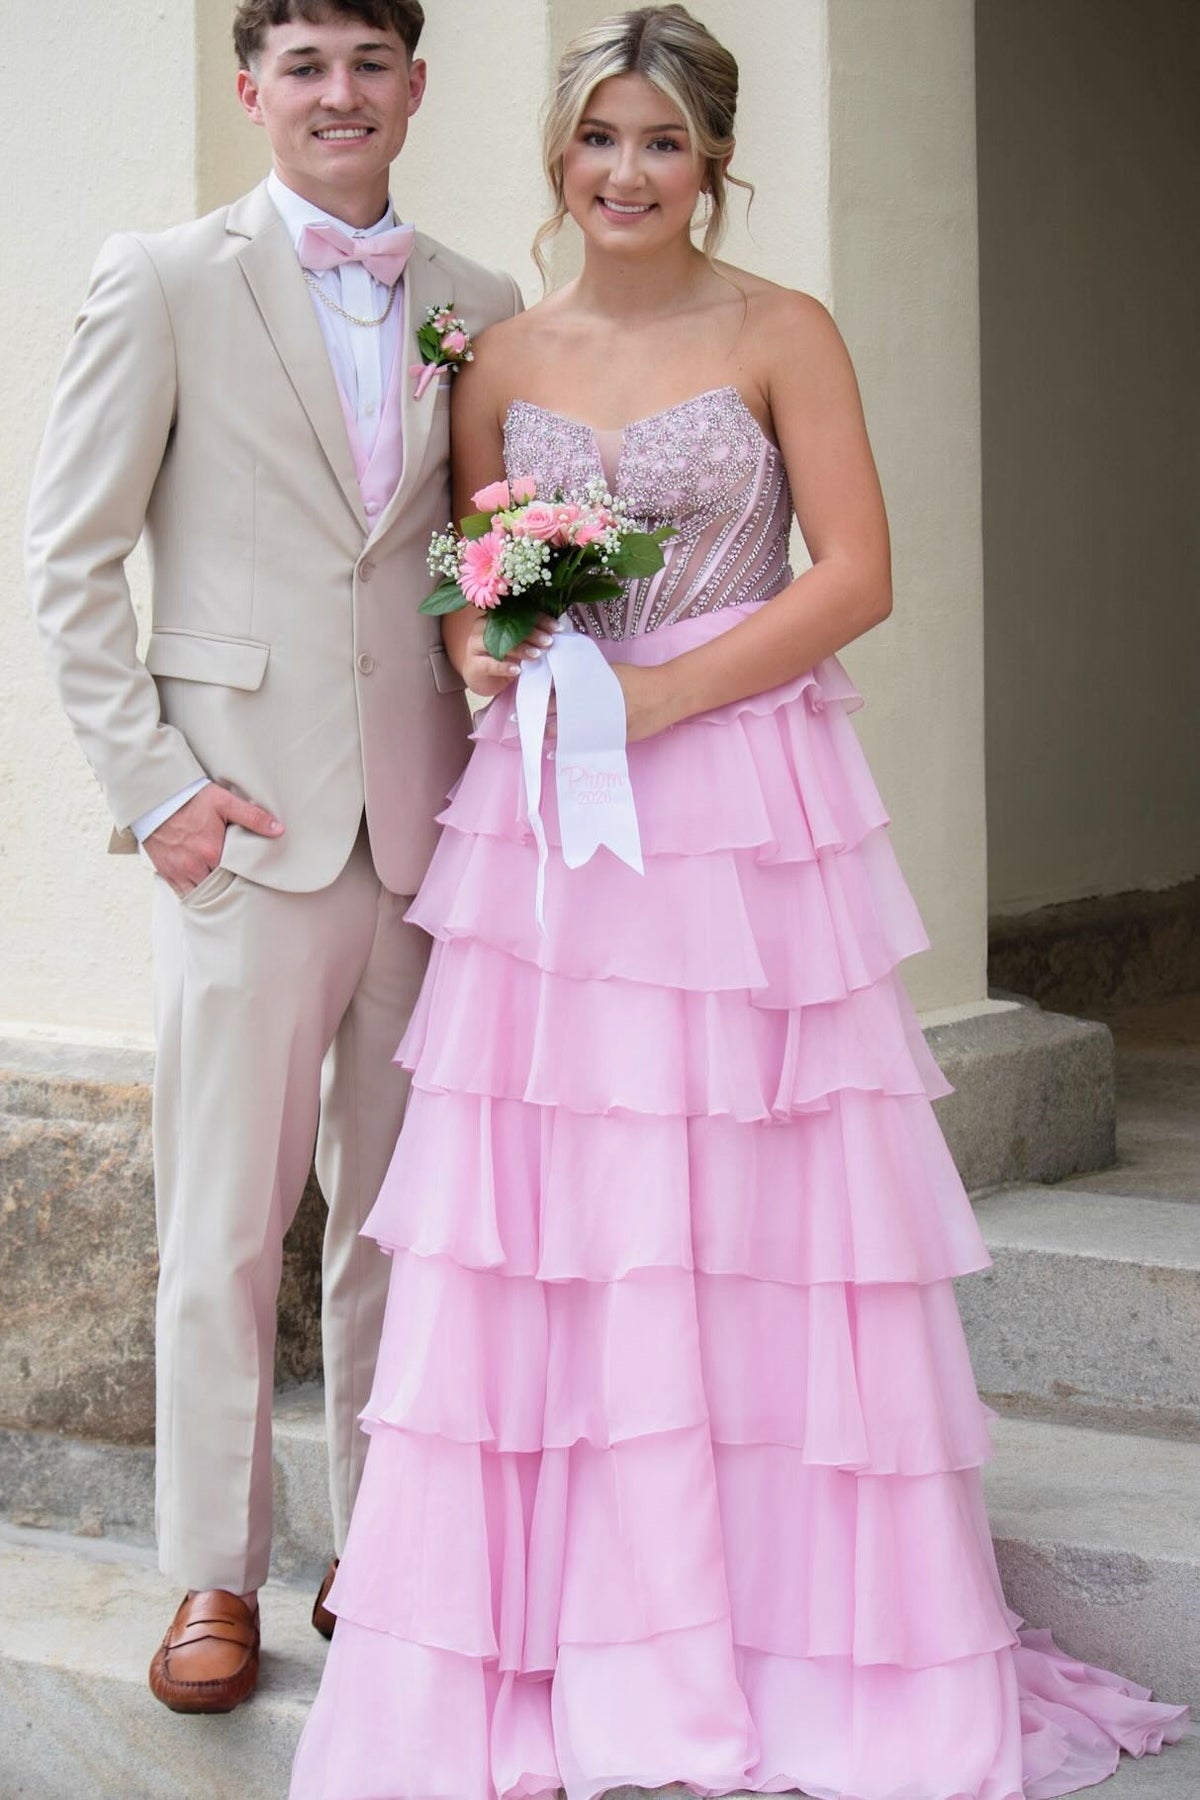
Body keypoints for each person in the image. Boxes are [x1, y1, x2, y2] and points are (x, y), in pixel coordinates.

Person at [290, 6, 1188, 1794]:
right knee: (576, 1205)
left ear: (715, 160)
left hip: (741, 805)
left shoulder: (784, 330)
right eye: (598, 140)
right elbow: (479, 589)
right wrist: (499, 651)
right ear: (559, 155)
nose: (626, 174)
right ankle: (586, 1638)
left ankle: (791, 1636)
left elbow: (856, 573)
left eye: (663, 144)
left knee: (753, 1205)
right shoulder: (501, 357)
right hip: (552, 822)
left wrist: (663, 695)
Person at [26, 0, 521, 1716]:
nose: (337, 93)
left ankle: (382, 1561)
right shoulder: (163, 277)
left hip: (435, 825)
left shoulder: (484, 304)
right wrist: (155, 787)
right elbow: (72, 563)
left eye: (368, 61)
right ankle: (212, 1578)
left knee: (399, 1220)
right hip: (241, 830)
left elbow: (476, 561)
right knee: (224, 1225)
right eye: (303, 64)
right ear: (252, 88)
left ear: (414, 87)